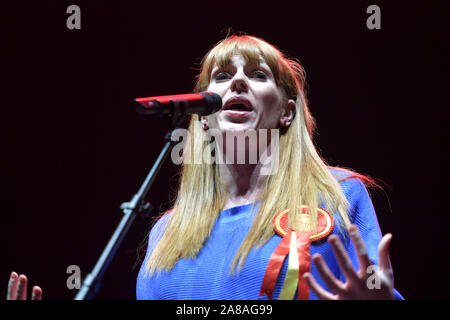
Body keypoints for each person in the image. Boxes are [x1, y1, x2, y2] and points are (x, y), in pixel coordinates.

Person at [7, 34, 404, 300]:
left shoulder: (336, 194)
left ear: (286, 112)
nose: (238, 83)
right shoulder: (168, 231)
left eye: (258, 75)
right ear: (204, 115)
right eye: (223, 76)